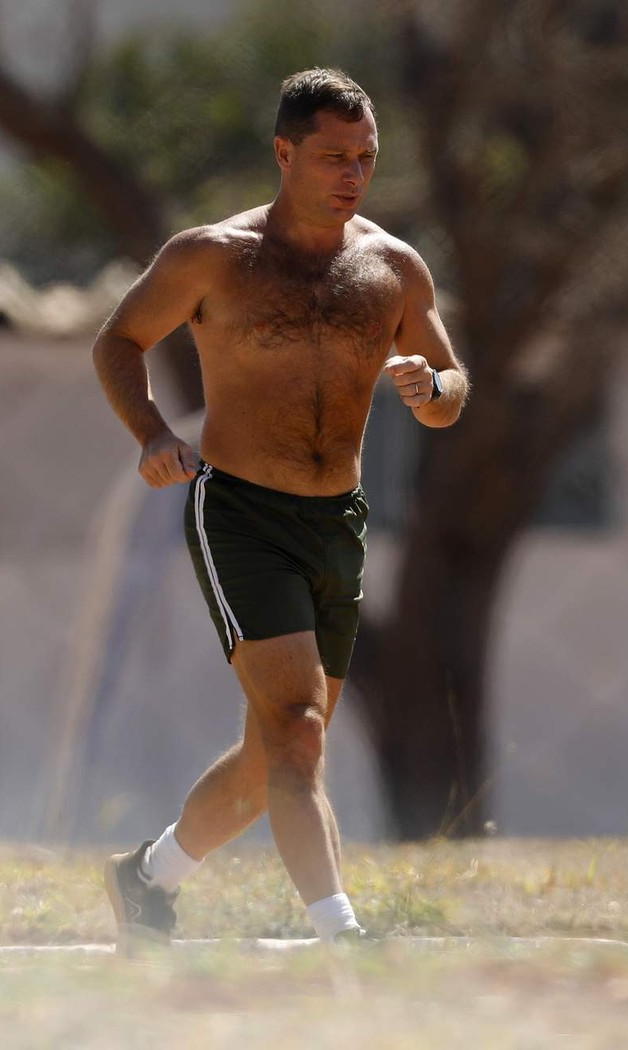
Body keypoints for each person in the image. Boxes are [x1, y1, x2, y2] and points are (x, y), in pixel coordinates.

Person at [92, 67, 468, 949]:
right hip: (241, 514)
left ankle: (147, 878)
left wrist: (432, 386)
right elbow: (118, 339)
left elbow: (454, 385)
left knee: (275, 755)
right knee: (299, 736)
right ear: (284, 152)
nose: (352, 174)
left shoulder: (393, 268)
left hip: (337, 522)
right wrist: (150, 434)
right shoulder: (211, 256)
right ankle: (343, 937)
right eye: (333, 156)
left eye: (366, 158)